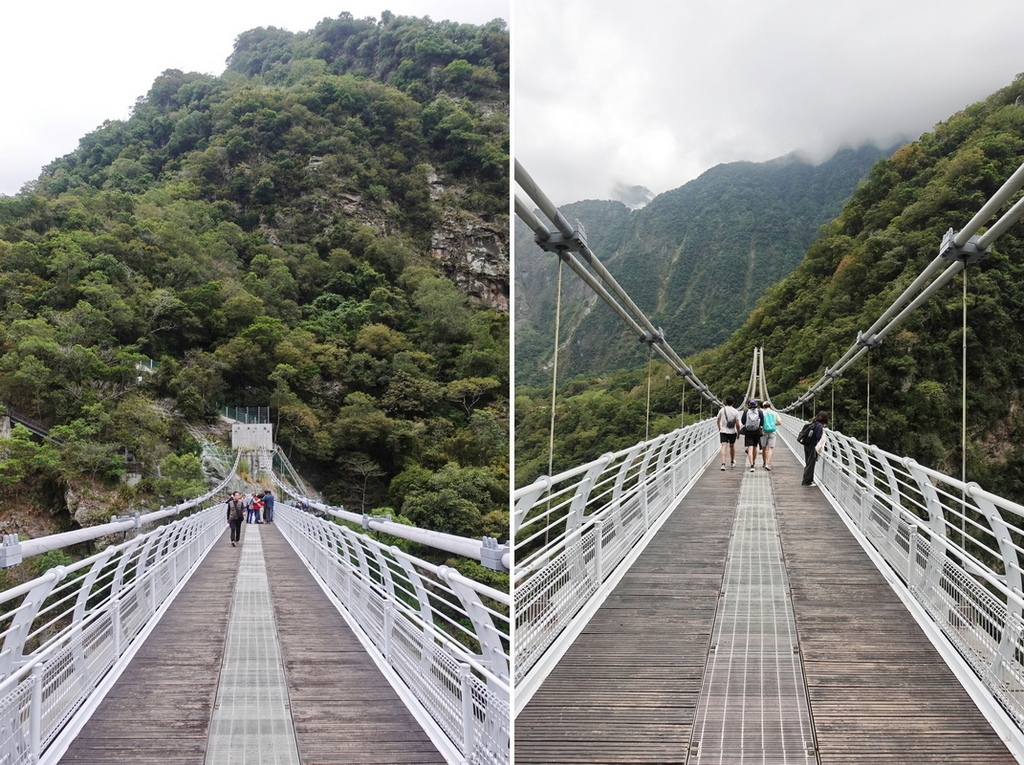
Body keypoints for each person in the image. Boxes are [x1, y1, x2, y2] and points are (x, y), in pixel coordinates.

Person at [802, 410, 829, 487]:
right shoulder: (819, 426)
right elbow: (818, 436)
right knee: (811, 464)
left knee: (808, 462)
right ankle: (807, 482)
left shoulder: (813, 422)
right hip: (813, 446)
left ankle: (806, 480)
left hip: (807, 444)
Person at [716, 396, 742, 470]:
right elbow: (737, 424)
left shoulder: (722, 410)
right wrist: (738, 432)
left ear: (725, 402)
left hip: (723, 431)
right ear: (733, 402)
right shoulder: (735, 411)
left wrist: (719, 428)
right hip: (732, 432)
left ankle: (723, 464)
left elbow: (717, 420)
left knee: (723, 446)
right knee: (732, 446)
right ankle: (732, 462)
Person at [740, 399, 763, 472]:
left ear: (749, 405)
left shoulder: (746, 411)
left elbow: (743, 422)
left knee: (750, 448)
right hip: (756, 431)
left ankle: (751, 465)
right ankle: (754, 462)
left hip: (748, 431)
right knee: (755, 447)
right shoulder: (759, 411)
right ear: (756, 405)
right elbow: (762, 423)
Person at [760, 401, 777, 471]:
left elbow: (760, 423)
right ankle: (768, 463)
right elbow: (780, 422)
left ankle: (764, 463)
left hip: (764, 432)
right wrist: (773, 424)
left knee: (764, 448)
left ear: (763, 407)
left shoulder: (762, 413)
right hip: (772, 432)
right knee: (770, 448)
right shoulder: (774, 413)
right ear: (770, 406)